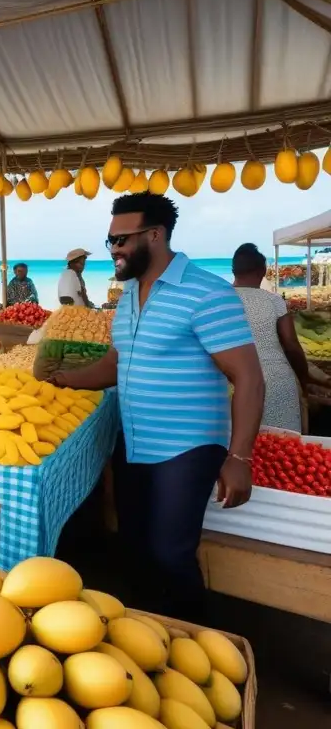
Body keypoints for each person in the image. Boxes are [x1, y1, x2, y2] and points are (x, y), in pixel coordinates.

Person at [53, 193, 264, 623]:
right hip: (133, 442)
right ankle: (149, 636)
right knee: (133, 546)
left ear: (155, 235)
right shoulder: (128, 295)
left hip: (187, 447)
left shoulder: (207, 293)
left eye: (121, 240)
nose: (113, 249)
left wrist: (240, 457)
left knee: (170, 553)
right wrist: (63, 379)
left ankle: (198, 641)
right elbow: (118, 361)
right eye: (109, 240)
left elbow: (248, 377)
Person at [232, 243, 308, 432]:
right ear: (263, 271)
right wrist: (304, 381)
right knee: (282, 449)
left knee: (239, 448)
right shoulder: (273, 300)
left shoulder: (219, 299)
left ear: (233, 271)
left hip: (234, 383)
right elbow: (291, 345)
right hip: (277, 382)